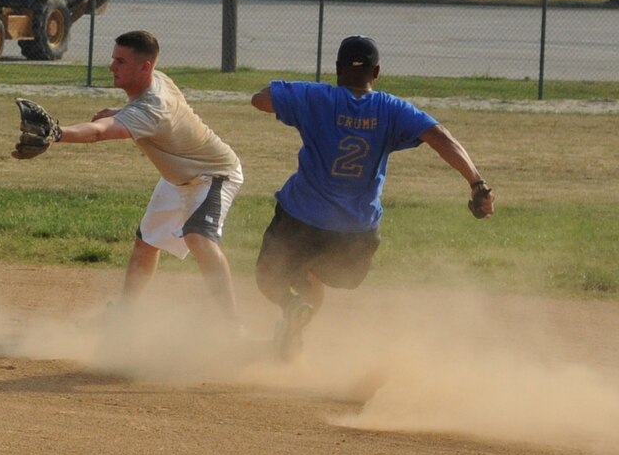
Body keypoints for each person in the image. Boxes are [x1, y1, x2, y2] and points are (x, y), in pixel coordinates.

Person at [251, 35, 495, 361]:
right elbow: (440, 137)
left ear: (337, 69)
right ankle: (293, 332)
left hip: (302, 220)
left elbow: (260, 100)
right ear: (376, 72)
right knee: (311, 275)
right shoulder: (392, 109)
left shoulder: (317, 97)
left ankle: (290, 306)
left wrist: (305, 96)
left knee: (269, 277)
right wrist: (476, 183)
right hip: (355, 236)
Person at [41, 30, 244, 329]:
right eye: (113, 59)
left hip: (212, 173)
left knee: (198, 237)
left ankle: (232, 328)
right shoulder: (156, 81)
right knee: (146, 243)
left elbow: (99, 132)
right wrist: (121, 111)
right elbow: (140, 115)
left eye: (120, 61)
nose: (112, 67)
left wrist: (56, 133)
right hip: (178, 177)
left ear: (144, 67)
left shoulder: (152, 108)